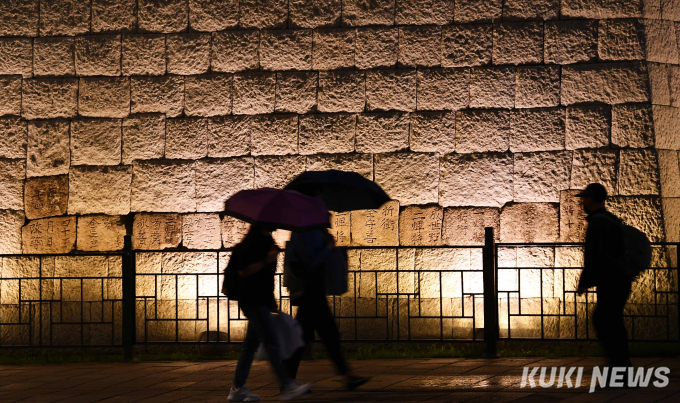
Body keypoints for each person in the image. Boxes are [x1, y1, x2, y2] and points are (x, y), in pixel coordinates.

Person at [227, 225, 312, 402]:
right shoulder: (250, 244)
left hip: (261, 301)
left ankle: (237, 388)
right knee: (272, 342)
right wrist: (267, 260)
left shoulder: (268, 242)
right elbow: (244, 271)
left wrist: (271, 298)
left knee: (250, 346)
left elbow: (267, 277)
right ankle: (287, 384)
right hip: (252, 300)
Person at [283, 228, 369, 390]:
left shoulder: (310, 230)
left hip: (314, 291)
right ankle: (347, 376)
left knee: (310, 336)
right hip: (310, 292)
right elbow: (310, 261)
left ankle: (287, 380)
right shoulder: (305, 232)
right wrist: (328, 247)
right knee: (326, 335)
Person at [575, 183, 633, 380]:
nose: (582, 201)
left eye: (584, 198)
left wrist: (584, 281)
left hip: (611, 280)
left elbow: (595, 255)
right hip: (619, 279)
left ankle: (620, 370)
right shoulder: (610, 219)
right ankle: (621, 368)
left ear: (591, 199)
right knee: (611, 322)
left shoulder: (598, 222)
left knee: (605, 321)